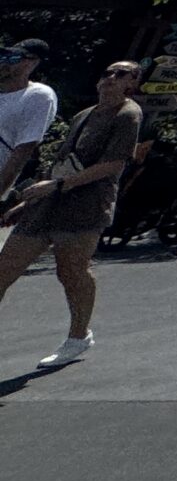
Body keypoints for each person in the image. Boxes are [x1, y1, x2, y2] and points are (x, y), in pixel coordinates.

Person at [0, 60, 141, 367]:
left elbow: (113, 166)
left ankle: (78, 337)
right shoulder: (84, 115)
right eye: (107, 72)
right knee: (4, 268)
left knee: (71, 271)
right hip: (49, 203)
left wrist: (59, 185)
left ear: (132, 84)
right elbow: (63, 162)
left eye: (120, 74)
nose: (110, 78)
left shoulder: (128, 115)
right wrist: (29, 202)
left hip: (85, 207)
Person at [0, 39, 60, 207]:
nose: (4, 63)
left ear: (32, 63)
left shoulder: (38, 96)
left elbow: (23, 151)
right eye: (3, 57)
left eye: (14, 58)